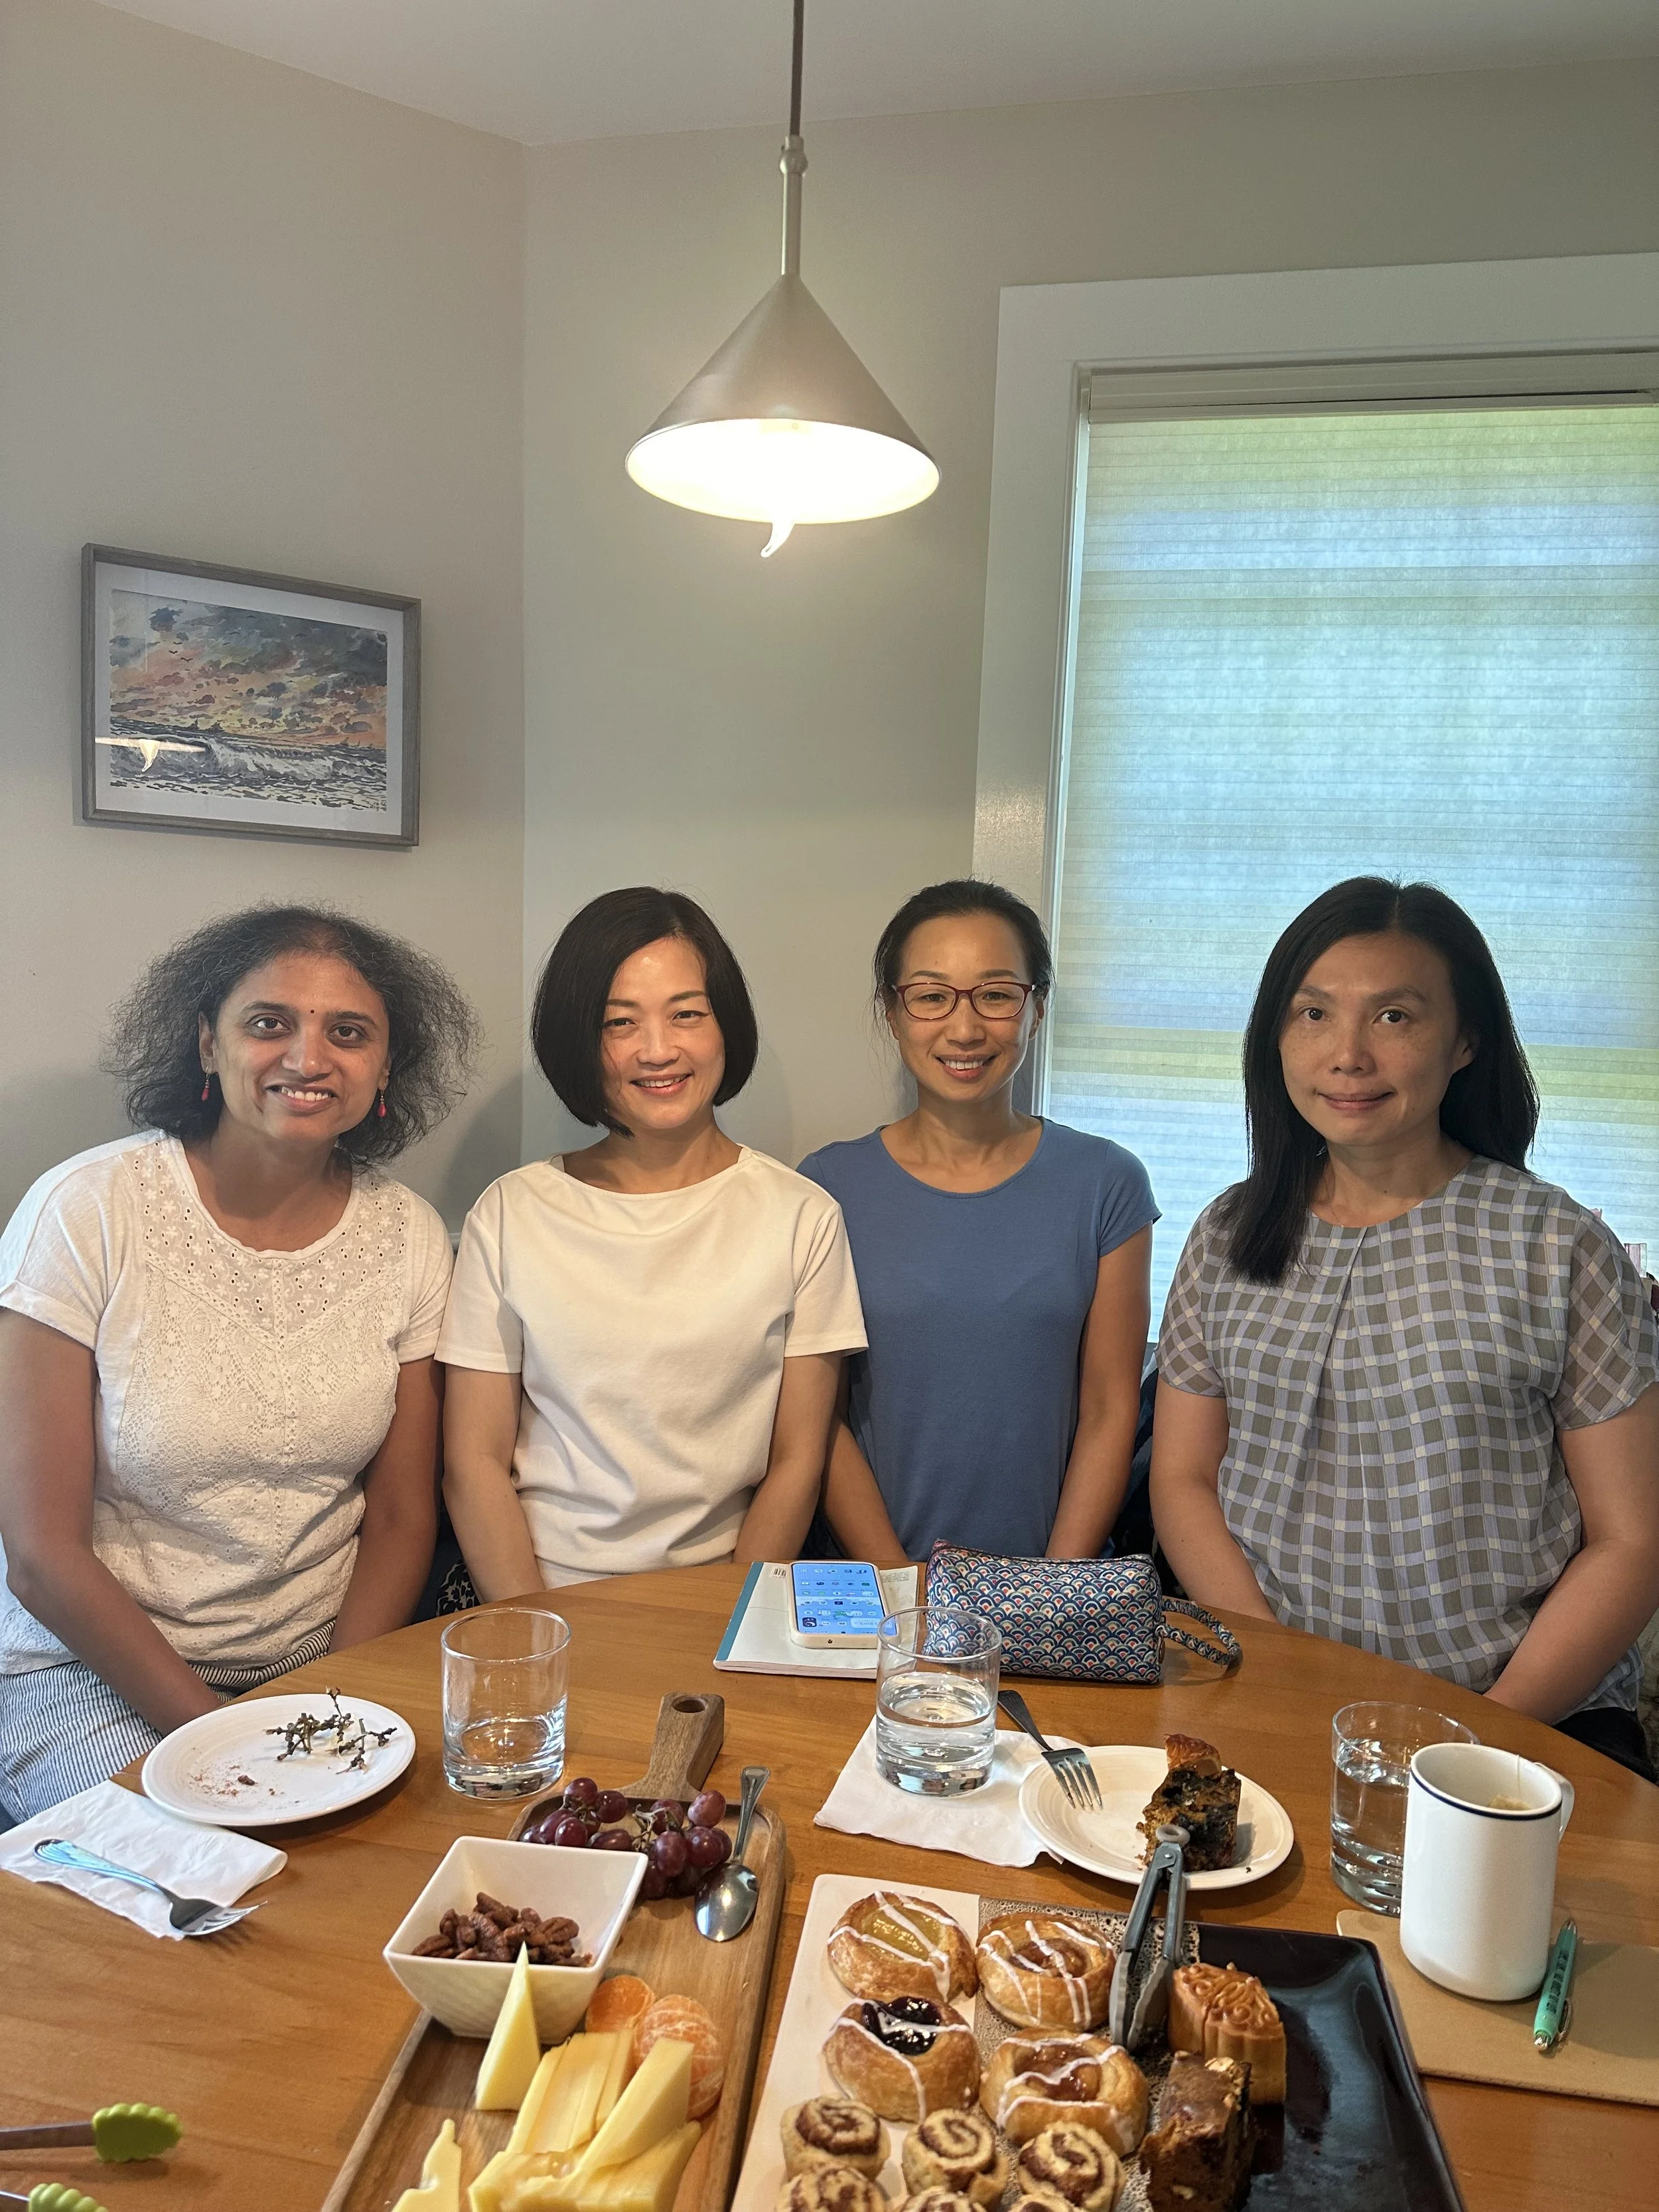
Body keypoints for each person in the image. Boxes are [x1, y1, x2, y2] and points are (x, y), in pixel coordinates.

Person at [1153, 876, 1659, 1779]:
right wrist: (1276, 1667)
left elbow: (1632, 1538)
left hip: (1526, 1723)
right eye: (1313, 1014)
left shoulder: (1555, 1243)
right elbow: (1186, 1478)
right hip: (1275, 1699)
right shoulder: (1229, 1233)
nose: (1347, 1054)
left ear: (1465, 1040)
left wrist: (1478, 1738)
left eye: (1394, 1016)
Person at [0, 907, 477, 1820]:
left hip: (325, 1666)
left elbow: (403, 1514)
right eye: (269, 1023)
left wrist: (333, 1706)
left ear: (384, 1067)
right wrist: (221, 1737)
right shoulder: (85, 1210)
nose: (308, 1056)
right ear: (206, 1047)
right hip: (86, 1671)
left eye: (349, 1032)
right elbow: (39, 1558)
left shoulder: (409, 1234)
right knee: (209, 1893)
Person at [438, 887, 865, 1593]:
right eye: (619, 1023)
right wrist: (531, 1633)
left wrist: (720, 1621)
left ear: (725, 1025)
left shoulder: (801, 1216)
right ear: (580, 1039)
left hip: (717, 1592)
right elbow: (474, 1463)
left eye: (687, 1014)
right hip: (534, 1589)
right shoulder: (511, 1213)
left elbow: (797, 1459)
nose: (658, 1050)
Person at [798, 880, 1158, 1564]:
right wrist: (901, 1586)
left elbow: (1110, 1411)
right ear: (892, 1011)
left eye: (995, 995)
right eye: (931, 996)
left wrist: (1047, 1589)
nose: (964, 1029)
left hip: (1053, 1578)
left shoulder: (1106, 1185)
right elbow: (824, 1419)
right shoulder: (826, 1187)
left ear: (1037, 1007)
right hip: (872, 1586)